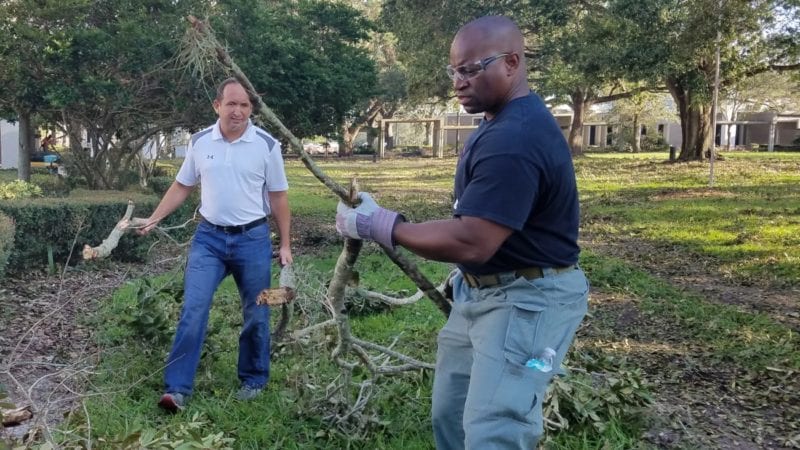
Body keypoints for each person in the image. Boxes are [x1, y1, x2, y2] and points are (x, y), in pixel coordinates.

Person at [335, 16, 588, 449]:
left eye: (470, 69)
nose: (458, 81)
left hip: (526, 301)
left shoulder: (516, 137)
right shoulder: (496, 122)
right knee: (450, 416)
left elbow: (475, 238)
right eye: (453, 70)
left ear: (511, 62)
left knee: (495, 430)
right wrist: (468, 273)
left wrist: (382, 225)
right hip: (480, 291)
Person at [139, 77, 292, 412]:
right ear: (217, 106)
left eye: (245, 105)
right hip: (208, 239)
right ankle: (176, 389)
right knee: (193, 311)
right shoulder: (199, 142)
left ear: (251, 109)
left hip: (252, 240)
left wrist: (285, 244)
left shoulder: (267, 145)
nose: (238, 111)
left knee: (257, 312)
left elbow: (279, 198)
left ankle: (253, 379)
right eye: (232, 104)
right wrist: (154, 218)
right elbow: (182, 186)